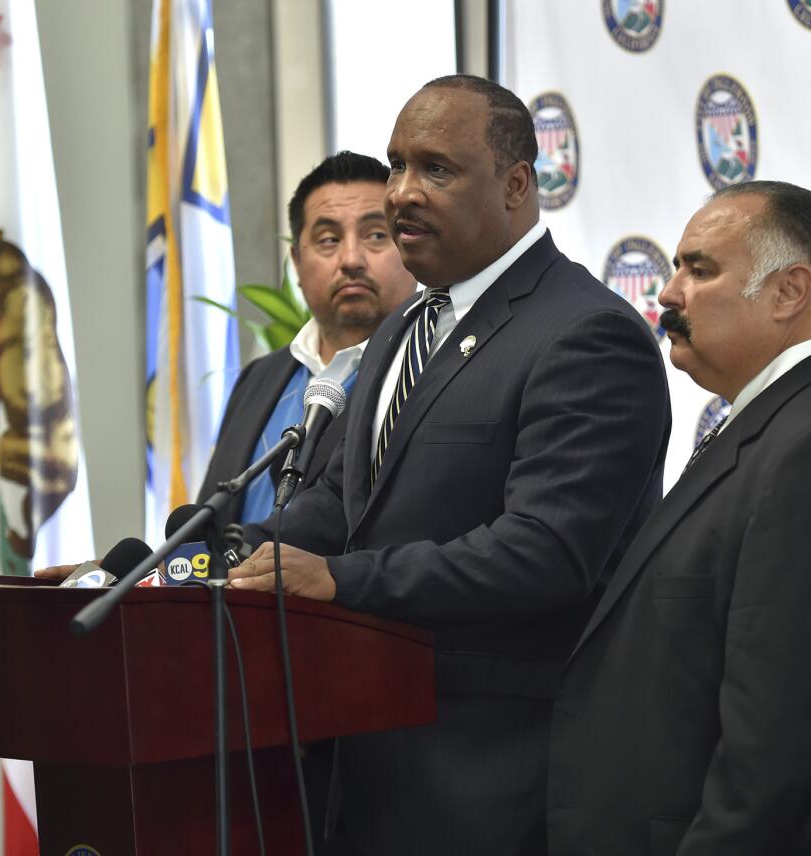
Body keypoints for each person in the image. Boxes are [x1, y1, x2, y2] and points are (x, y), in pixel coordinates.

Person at [228, 75, 670, 855]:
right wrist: (212, 557)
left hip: (494, 779)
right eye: (397, 165)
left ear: (517, 184)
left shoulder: (586, 335)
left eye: (435, 169)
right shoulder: (406, 325)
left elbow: (544, 552)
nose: (401, 192)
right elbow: (340, 502)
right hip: (368, 762)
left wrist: (340, 580)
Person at [547, 181, 811, 855]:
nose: (668, 294)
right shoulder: (787, 421)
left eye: (700, 269)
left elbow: (782, 733)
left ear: (788, 292)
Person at [198, 151, 416, 530]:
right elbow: (208, 526)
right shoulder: (259, 379)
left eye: (377, 235)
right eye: (329, 239)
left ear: (410, 247)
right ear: (297, 264)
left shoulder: (429, 371)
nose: (351, 259)